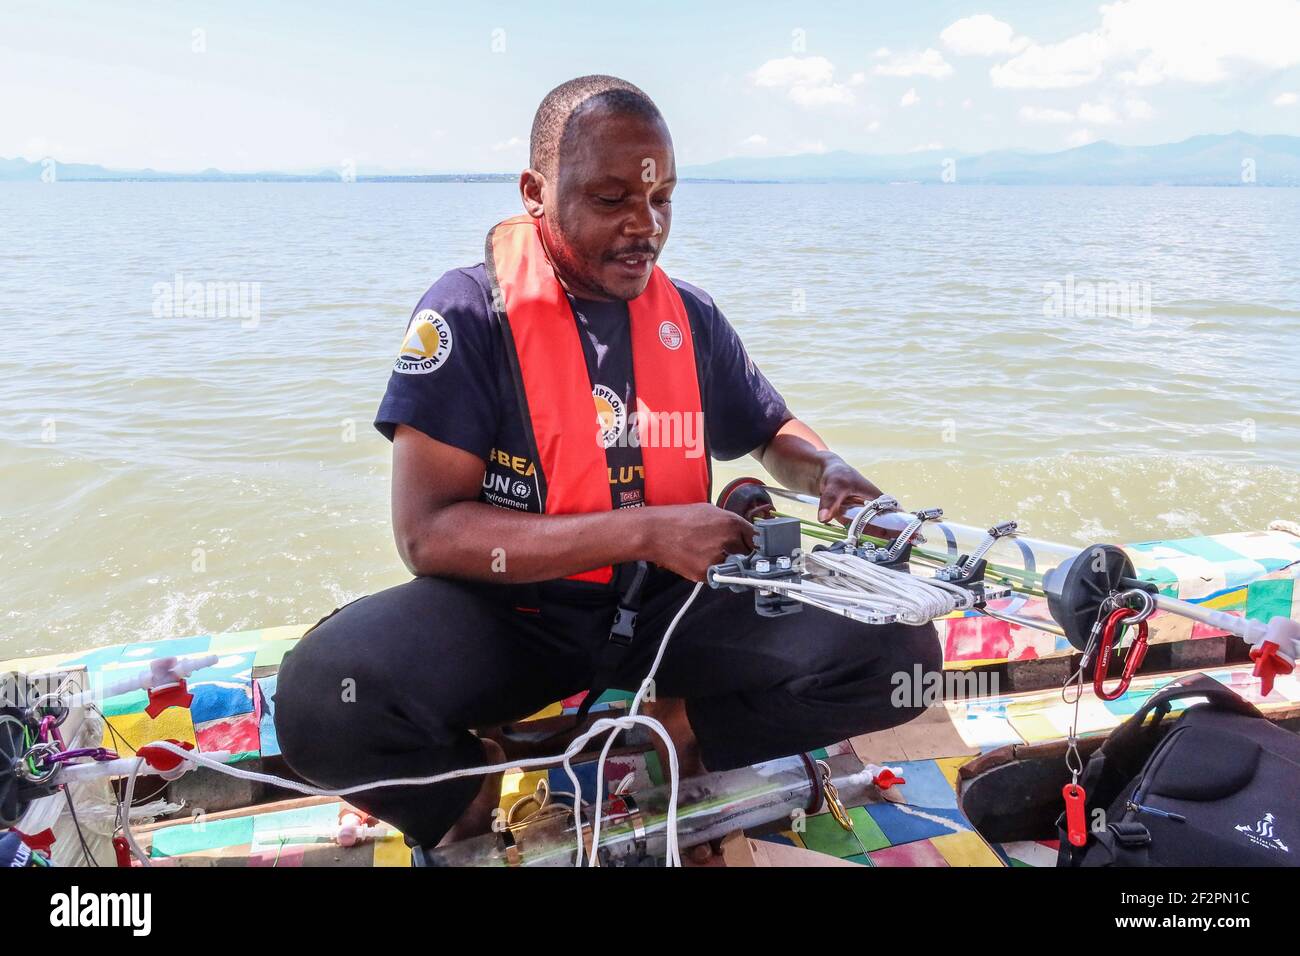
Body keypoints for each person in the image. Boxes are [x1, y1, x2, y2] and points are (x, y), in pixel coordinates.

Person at [274, 75, 941, 853]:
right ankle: (464, 797)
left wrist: (826, 469)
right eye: (611, 198)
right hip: (514, 617)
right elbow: (427, 534)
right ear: (536, 191)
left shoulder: (688, 318)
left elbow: (769, 430)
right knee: (322, 702)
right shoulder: (465, 316)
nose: (644, 227)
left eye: (661, 200)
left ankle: (681, 732)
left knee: (902, 653)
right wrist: (645, 531)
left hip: (673, 609)